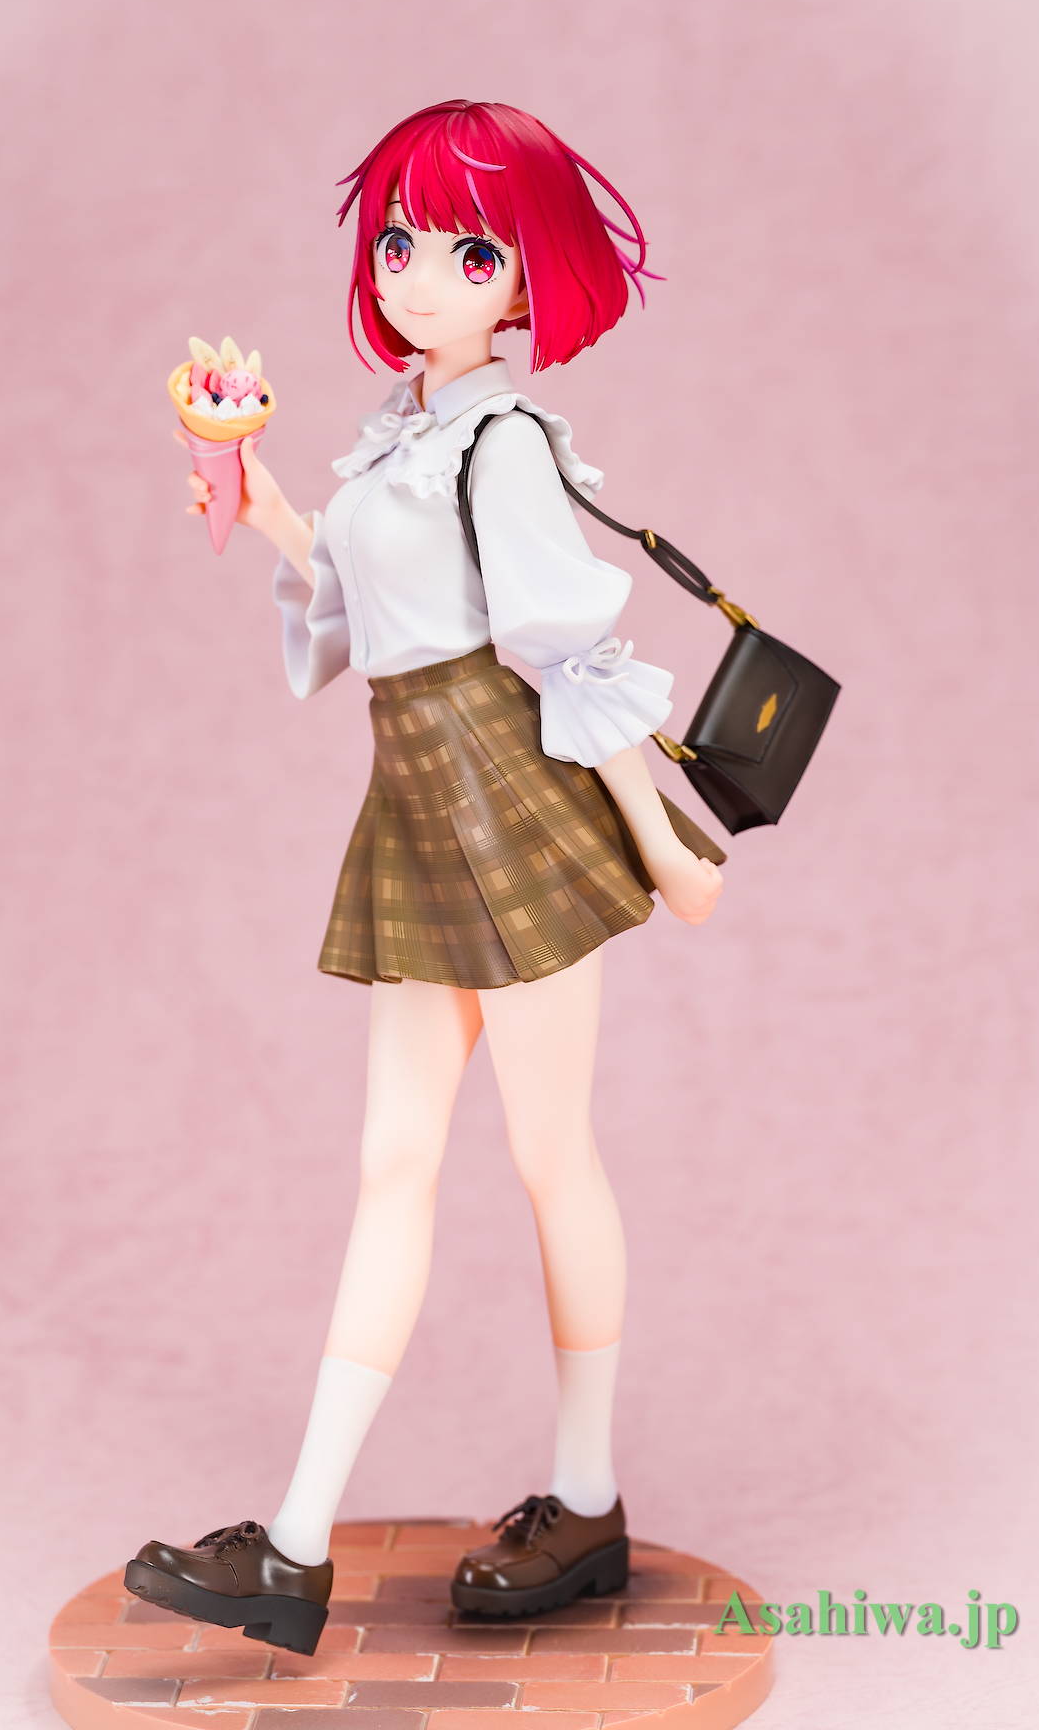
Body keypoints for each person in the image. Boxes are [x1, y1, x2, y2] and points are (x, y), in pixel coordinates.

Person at [125, 100, 725, 1657]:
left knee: (549, 1156)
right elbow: (359, 604)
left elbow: (563, 653)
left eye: (469, 250)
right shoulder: (401, 435)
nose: (417, 273)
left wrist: (660, 837)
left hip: (510, 802)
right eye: (399, 239)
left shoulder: (505, 443)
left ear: (529, 279)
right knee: (393, 1163)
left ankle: (586, 1497)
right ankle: (294, 1548)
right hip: (412, 803)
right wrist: (255, 493)